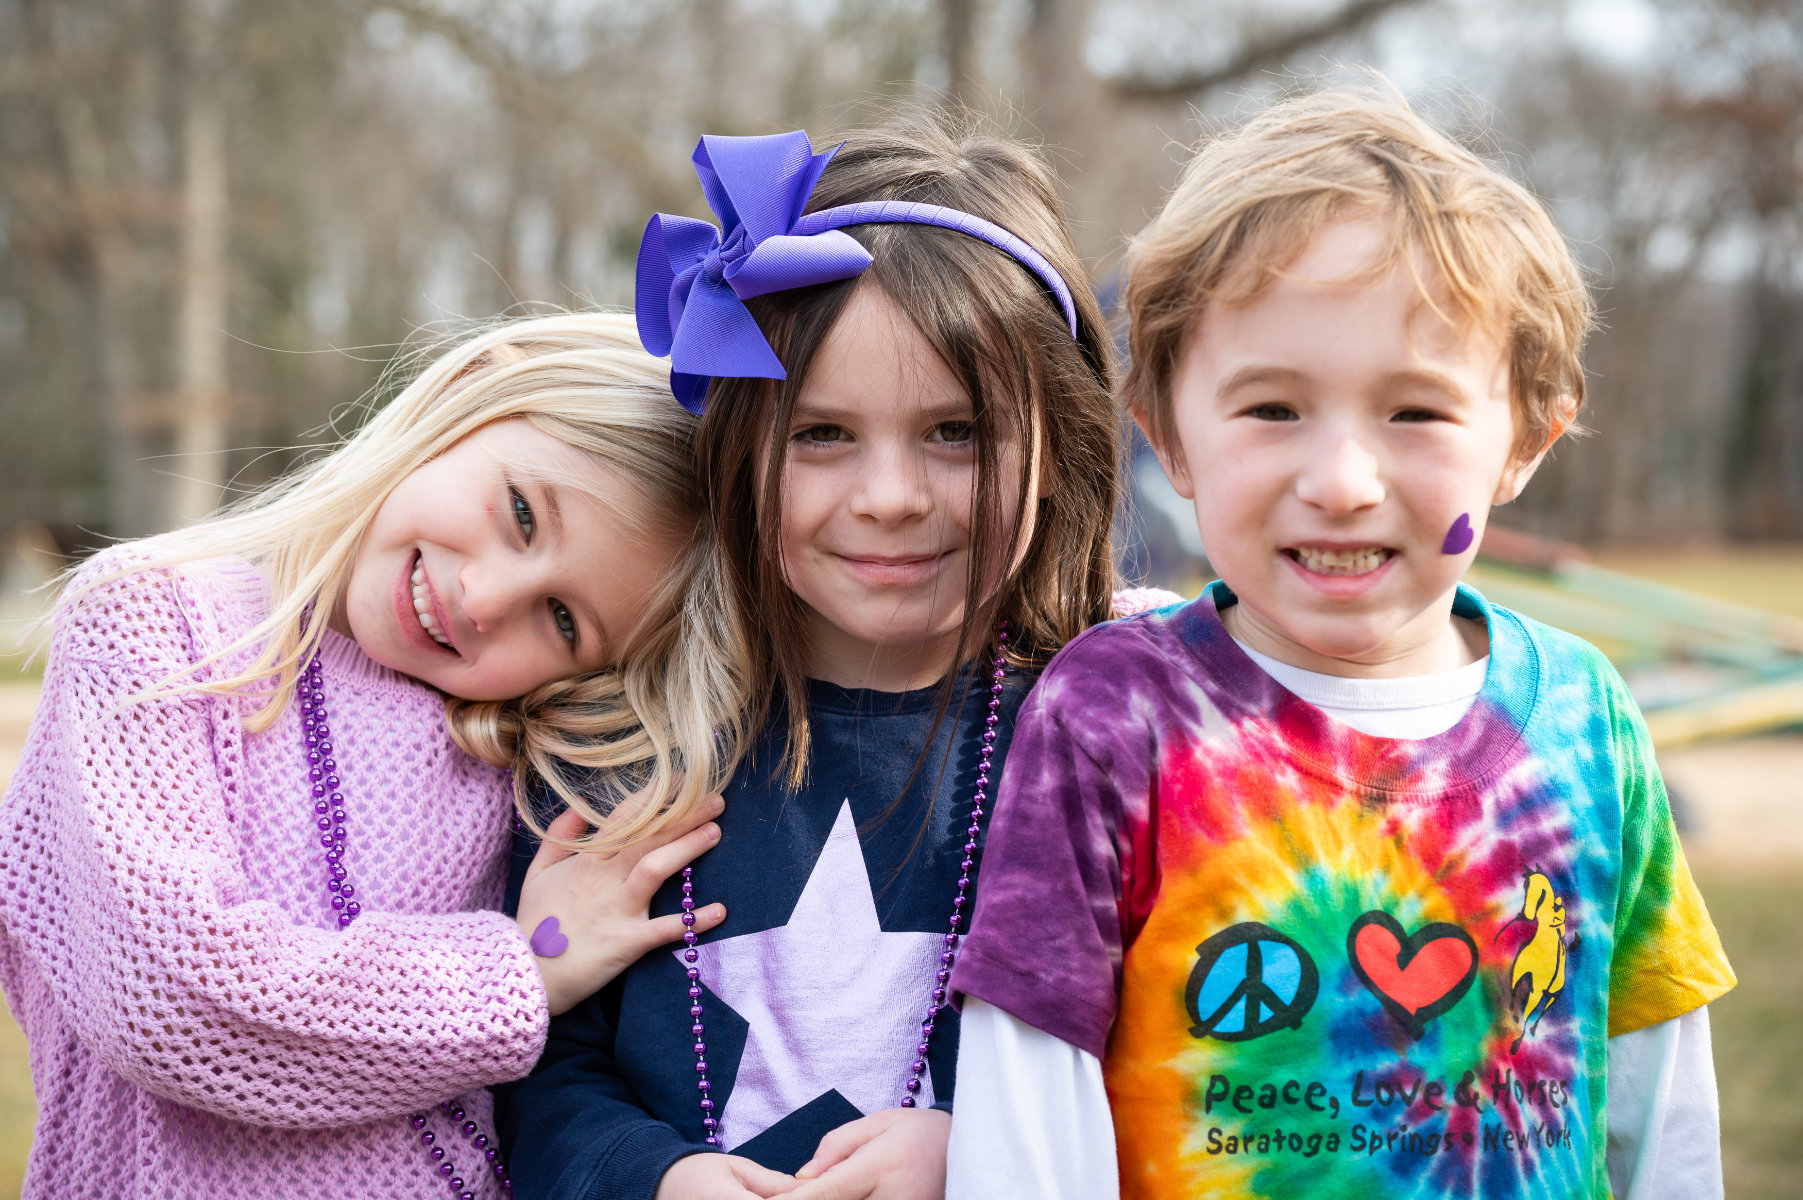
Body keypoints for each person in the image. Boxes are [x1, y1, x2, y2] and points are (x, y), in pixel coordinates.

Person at [946, 87, 1738, 1200]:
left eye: (1415, 413)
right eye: (1272, 410)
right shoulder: (1112, 717)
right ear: (1168, 436)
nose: (1340, 483)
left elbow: (1662, 1089)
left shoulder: (1584, 716)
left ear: (1524, 443)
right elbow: (1030, 1096)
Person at [498, 119, 1165, 1200]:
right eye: (822, 434)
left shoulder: (1111, 748)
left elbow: (1194, 1068)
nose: (890, 497)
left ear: (1058, 448)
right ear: (737, 443)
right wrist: (656, 1179)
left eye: (957, 432)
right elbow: (540, 1071)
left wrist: (978, 1153)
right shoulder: (621, 743)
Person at [0, 313, 749, 1199]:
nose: (483, 597)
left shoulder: (527, 753)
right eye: (519, 513)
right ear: (476, 393)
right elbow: (173, 1002)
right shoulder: (159, 626)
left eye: (562, 620)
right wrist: (521, 969)